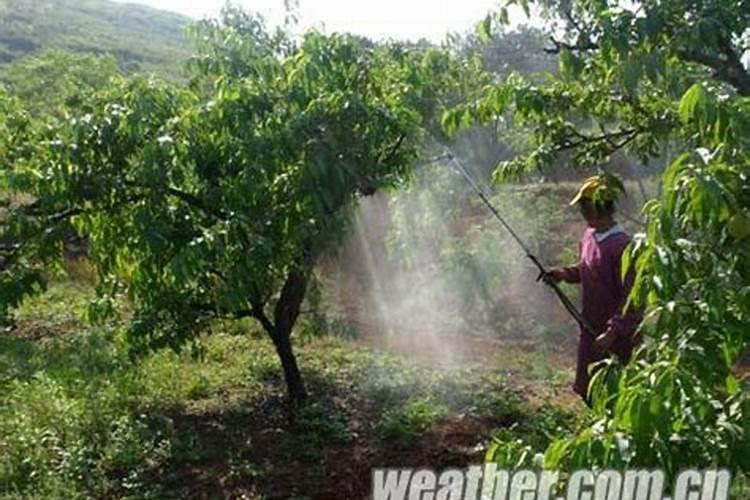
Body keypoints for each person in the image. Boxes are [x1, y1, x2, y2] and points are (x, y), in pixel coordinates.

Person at [543, 174, 642, 402]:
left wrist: (612, 332)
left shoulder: (622, 247)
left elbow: (632, 297)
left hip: (617, 337)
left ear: (598, 207)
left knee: (618, 393)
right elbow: (587, 270)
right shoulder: (589, 236)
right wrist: (563, 274)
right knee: (590, 389)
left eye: (585, 208)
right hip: (591, 328)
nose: (582, 213)